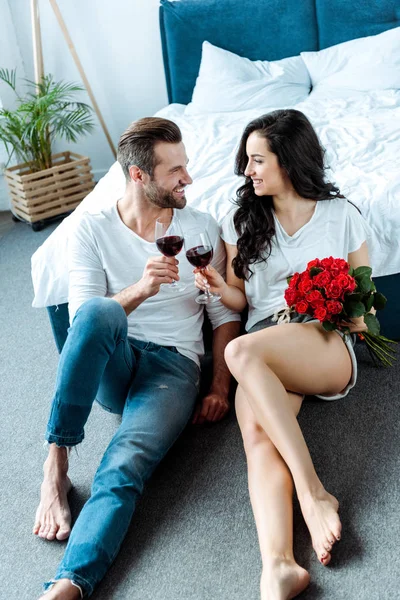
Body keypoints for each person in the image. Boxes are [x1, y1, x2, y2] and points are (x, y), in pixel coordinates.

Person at [34, 117, 241, 599]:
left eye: (186, 166)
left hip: (173, 370)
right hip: (116, 359)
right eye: (175, 170)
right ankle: (56, 464)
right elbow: (87, 320)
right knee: (100, 312)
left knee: (124, 464)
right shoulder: (90, 228)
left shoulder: (200, 227)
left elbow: (222, 315)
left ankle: (69, 583)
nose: (187, 178)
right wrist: (142, 290)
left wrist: (218, 387)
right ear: (138, 176)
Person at [195, 109, 371, 600]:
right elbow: (239, 299)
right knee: (255, 432)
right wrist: (215, 286)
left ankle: (313, 492)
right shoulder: (240, 218)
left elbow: (365, 297)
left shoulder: (342, 214)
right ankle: (277, 566)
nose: (246, 171)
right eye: (246, 160)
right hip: (262, 341)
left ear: (289, 162)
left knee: (241, 353)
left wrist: (345, 309)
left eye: (257, 160)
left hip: (322, 344)